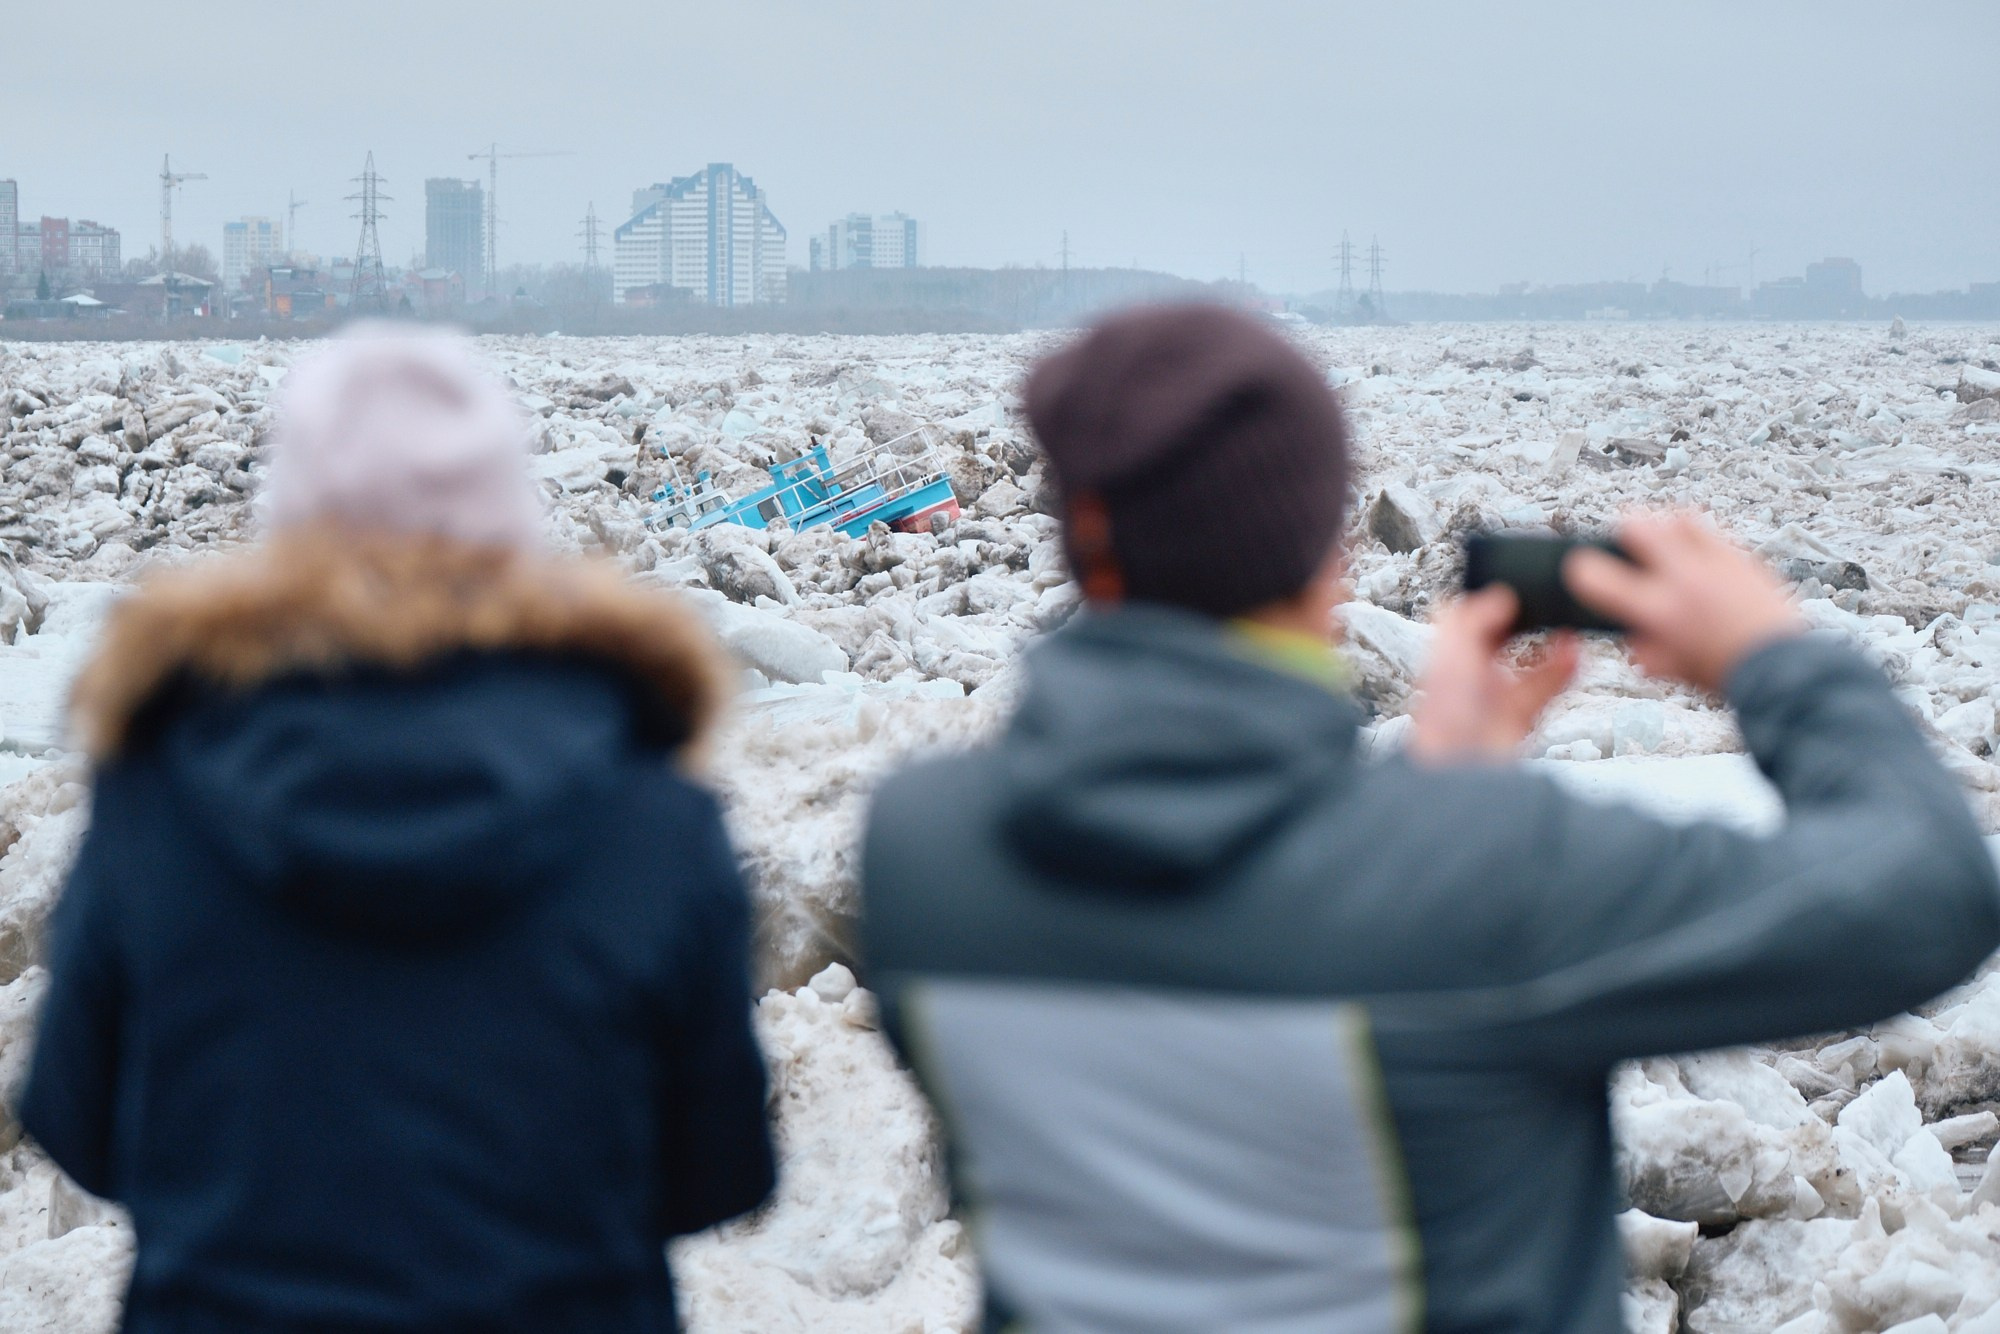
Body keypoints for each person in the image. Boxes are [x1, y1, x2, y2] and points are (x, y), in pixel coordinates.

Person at [860, 303, 2000, 1333]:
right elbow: (1922, 892)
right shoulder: (1482, 882)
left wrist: (1434, 793)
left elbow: (1273, 958)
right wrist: (1770, 654)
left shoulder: (919, 851)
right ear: (1327, 557)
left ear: (1079, 530)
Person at [20, 326, 774, 1332]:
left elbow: (81, 1129)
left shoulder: (162, 798)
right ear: (512, 527)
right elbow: (717, 1172)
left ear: (288, 526)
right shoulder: (649, 817)